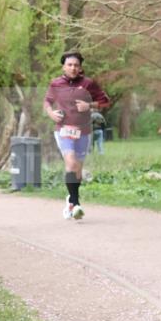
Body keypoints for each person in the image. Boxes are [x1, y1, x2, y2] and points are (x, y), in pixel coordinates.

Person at [43, 51, 110, 220]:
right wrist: (51, 113)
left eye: (76, 65)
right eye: (69, 65)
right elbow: (47, 101)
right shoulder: (56, 83)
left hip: (83, 132)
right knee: (71, 162)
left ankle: (71, 200)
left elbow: (105, 101)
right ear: (63, 67)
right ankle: (76, 203)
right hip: (63, 130)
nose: (73, 68)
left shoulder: (88, 83)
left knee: (78, 170)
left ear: (80, 68)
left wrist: (89, 105)